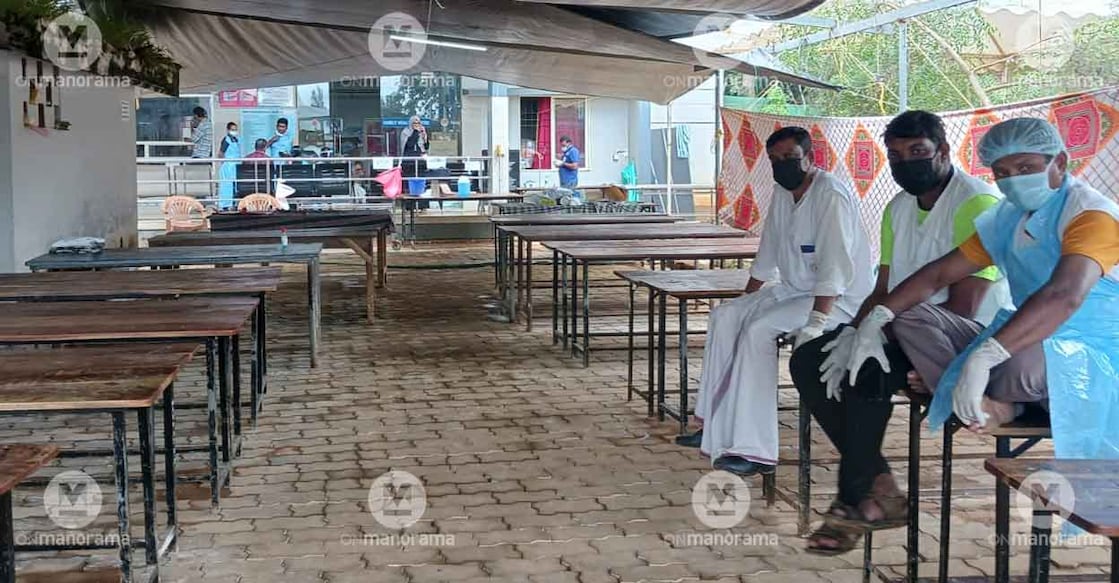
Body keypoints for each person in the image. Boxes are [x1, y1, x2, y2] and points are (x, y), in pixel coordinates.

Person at [790, 110, 1009, 554]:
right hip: (897, 324)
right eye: (895, 155)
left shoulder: (976, 203)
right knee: (811, 358)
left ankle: (854, 502)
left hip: (961, 336)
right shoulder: (897, 207)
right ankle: (880, 485)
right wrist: (854, 331)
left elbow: (963, 305)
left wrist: (886, 338)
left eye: (917, 152)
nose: (905, 162)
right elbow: (884, 287)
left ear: (944, 152)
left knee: (866, 373)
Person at [675, 126, 874, 478]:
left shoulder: (831, 196)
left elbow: (835, 268)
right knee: (726, 317)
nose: (782, 165)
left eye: (790, 158)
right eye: (775, 160)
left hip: (837, 300)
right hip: (794, 290)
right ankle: (713, 426)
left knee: (757, 331)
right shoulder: (783, 193)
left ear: (811, 159)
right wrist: (748, 298)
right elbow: (768, 250)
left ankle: (755, 450)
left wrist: (815, 324)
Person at [400, 115, 430, 206]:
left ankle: (422, 205)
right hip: (409, 162)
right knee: (410, 185)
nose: (416, 125)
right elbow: (409, 144)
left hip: (420, 162)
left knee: (421, 184)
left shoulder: (421, 132)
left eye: (418, 123)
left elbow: (426, 147)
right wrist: (415, 132)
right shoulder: (405, 132)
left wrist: (425, 136)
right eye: (414, 123)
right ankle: (410, 206)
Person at [216, 122, 240, 209]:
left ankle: (233, 203)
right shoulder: (226, 140)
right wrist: (225, 163)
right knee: (226, 186)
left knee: (235, 186)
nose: (234, 131)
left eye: (235, 129)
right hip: (228, 166)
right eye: (232, 130)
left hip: (235, 165)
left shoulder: (236, 140)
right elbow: (220, 153)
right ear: (228, 130)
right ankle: (225, 204)